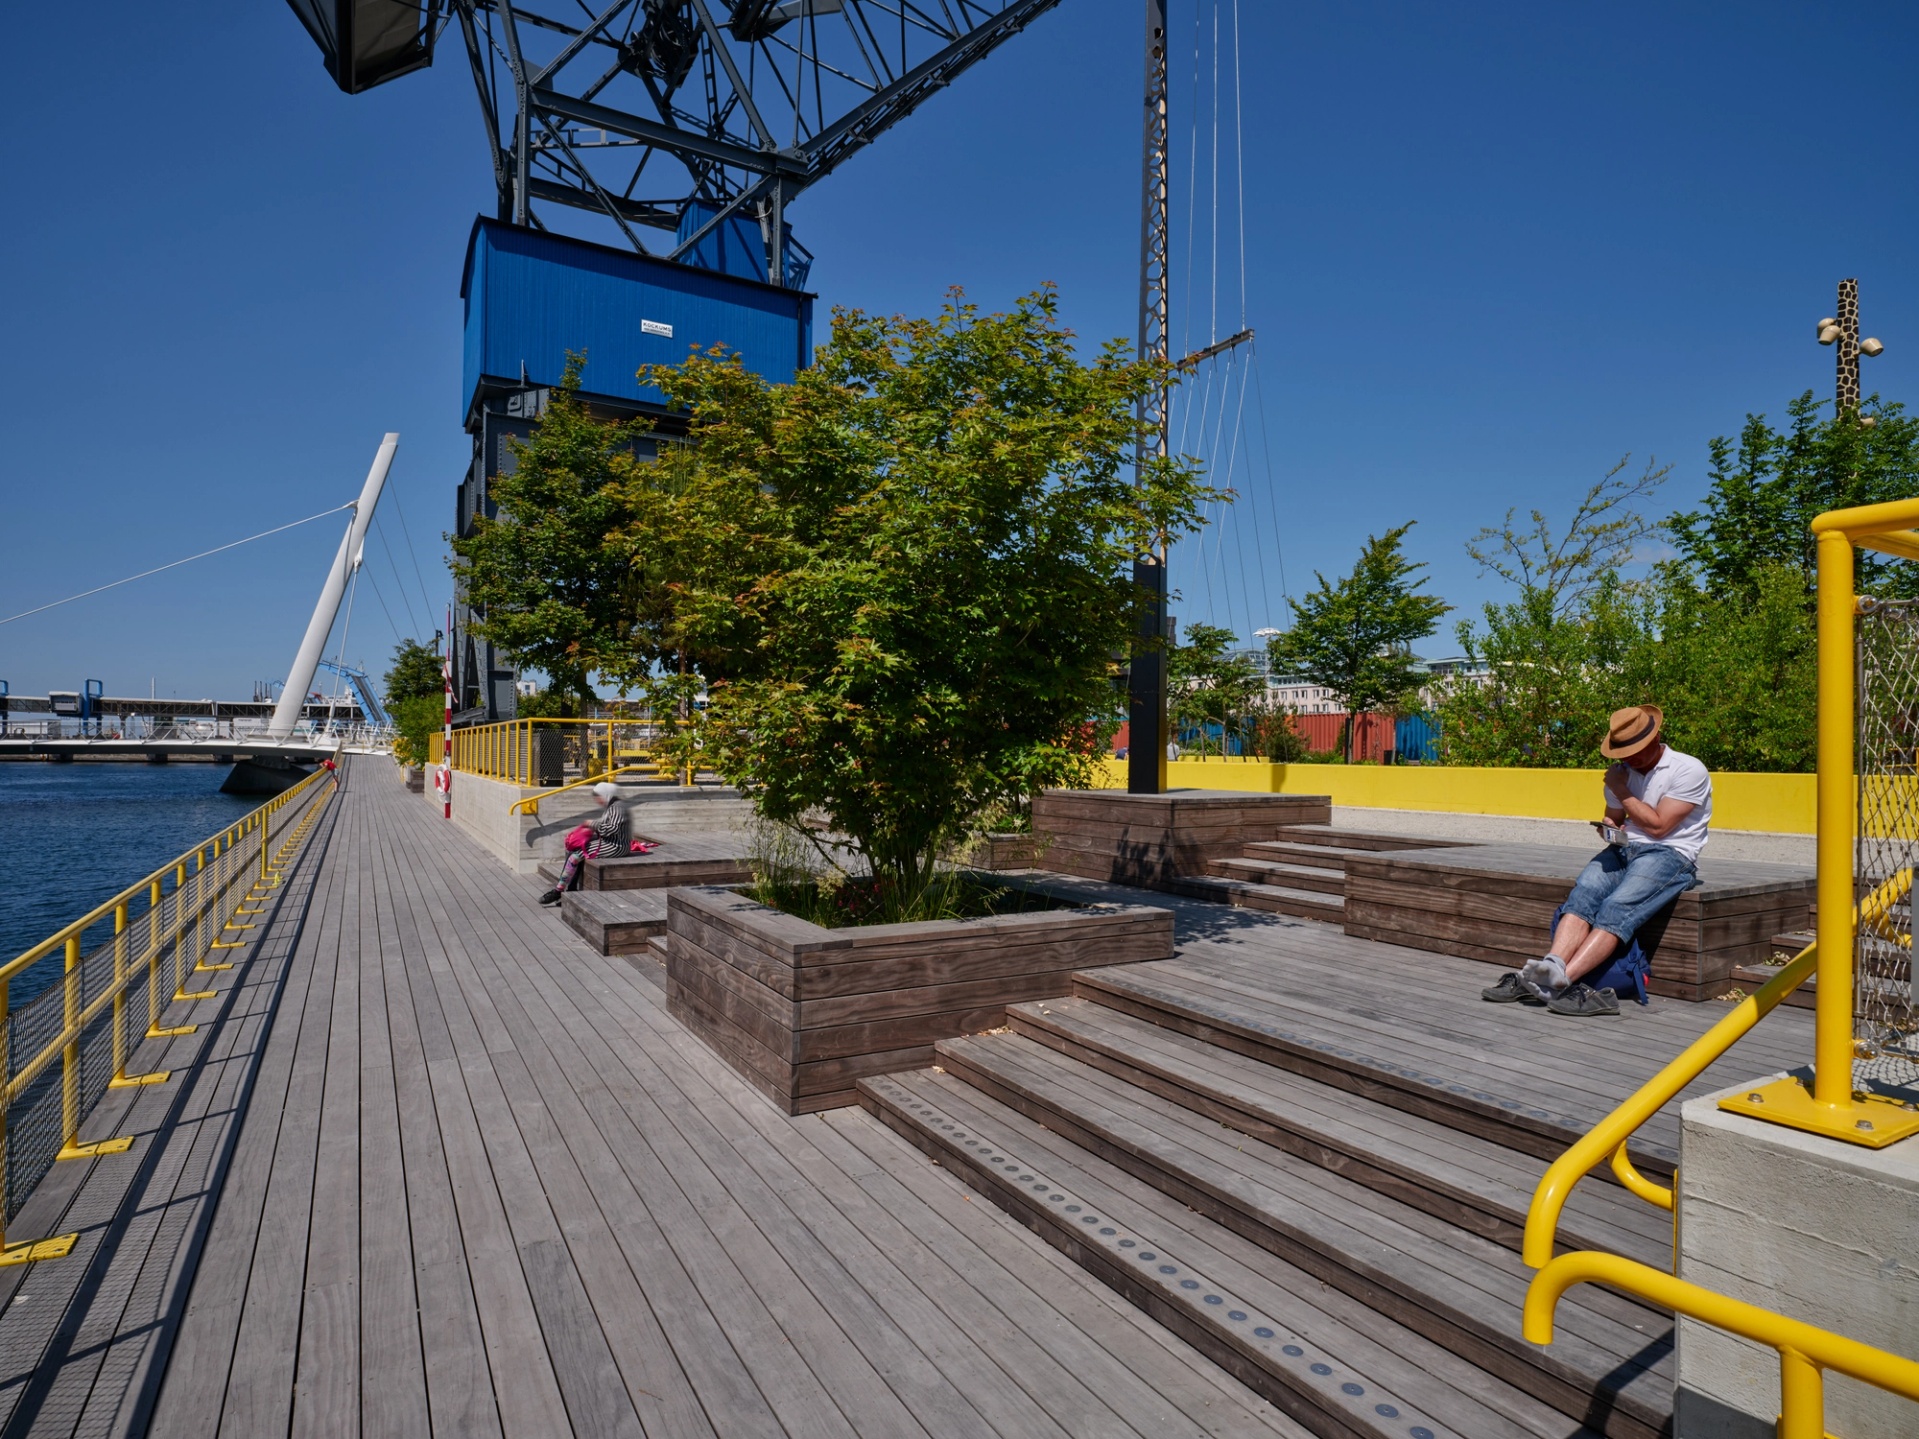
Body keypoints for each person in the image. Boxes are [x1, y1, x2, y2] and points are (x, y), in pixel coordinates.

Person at [1482, 704, 1712, 1016]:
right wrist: (1609, 827)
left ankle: (1559, 982)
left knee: (1617, 907)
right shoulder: (1622, 773)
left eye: (1634, 751)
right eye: (1623, 752)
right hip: (1624, 847)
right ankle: (1551, 967)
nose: (1628, 759)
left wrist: (1621, 789)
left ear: (1655, 738)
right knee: (1584, 894)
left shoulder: (1688, 769)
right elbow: (1615, 817)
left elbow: (1659, 826)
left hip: (1670, 853)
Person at [538, 782, 630, 906]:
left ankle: (558, 891)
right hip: (610, 841)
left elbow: (612, 829)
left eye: (599, 797)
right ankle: (570, 890)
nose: (598, 800)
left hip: (617, 846)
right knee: (577, 850)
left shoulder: (617, 807)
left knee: (577, 855)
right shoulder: (613, 806)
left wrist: (592, 824)